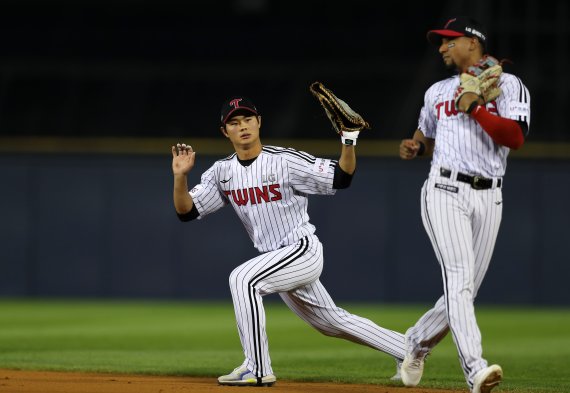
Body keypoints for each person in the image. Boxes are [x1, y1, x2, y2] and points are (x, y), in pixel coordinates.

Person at [171, 96, 406, 386]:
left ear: (259, 123)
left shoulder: (284, 160)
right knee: (330, 322)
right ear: (225, 132)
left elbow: (341, 177)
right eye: (234, 122)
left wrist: (348, 140)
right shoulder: (222, 172)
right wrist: (180, 177)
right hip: (277, 260)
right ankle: (407, 349)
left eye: (247, 119)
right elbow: (187, 211)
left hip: (301, 250)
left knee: (243, 279)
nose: (242, 126)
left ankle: (256, 368)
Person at [396, 17, 531, 393]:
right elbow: (425, 131)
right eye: (439, 42)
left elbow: (516, 138)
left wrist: (476, 108)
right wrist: (417, 145)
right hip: (444, 190)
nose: (441, 48)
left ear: (473, 43)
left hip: (490, 195)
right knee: (458, 281)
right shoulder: (436, 91)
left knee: (464, 291)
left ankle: (415, 343)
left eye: (448, 41)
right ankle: (475, 370)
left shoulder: (507, 84)